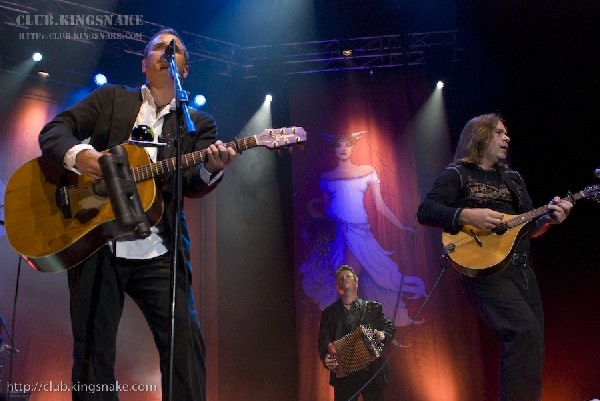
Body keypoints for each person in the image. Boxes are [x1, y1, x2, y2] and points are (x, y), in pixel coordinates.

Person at [37, 29, 237, 401]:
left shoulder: (198, 124)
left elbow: (192, 181)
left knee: (185, 346)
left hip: (159, 250)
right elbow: (55, 131)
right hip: (98, 242)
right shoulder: (111, 99)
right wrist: (83, 157)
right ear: (144, 64)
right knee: (92, 353)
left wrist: (213, 168)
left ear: (185, 69)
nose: (167, 52)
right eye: (159, 47)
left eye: (175, 49)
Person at [416, 113, 572, 401]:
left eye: (506, 133)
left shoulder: (513, 179)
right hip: (485, 273)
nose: (507, 138)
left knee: (532, 342)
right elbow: (426, 211)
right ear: (480, 136)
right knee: (524, 333)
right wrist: (466, 214)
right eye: (499, 132)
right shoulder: (458, 175)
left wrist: (548, 220)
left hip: (522, 271)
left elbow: (527, 229)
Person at [301, 131, 426, 326]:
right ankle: (347, 328)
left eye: (347, 145)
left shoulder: (367, 170)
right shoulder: (326, 177)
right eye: (338, 145)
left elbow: (380, 206)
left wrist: (402, 227)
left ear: (353, 147)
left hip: (360, 233)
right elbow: (328, 211)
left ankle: (355, 327)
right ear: (333, 148)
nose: (343, 149)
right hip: (339, 234)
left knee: (357, 278)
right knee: (345, 279)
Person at [318, 265, 396, 401]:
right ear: (337, 287)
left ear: (356, 283)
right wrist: (327, 358)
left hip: (372, 371)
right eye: (340, 279)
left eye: (347, 276)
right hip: (344, 375)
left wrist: (383, 334)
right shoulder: (329, 313)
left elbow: (389, 328)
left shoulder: (373, 308)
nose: (344, 279)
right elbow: (324, 343)